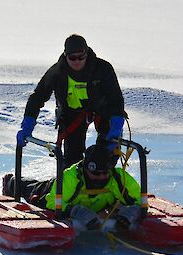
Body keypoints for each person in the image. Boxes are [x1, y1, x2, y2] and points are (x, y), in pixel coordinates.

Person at [17, 34, 126, 168]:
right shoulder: (57, 72)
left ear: (87, 53)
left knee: (105, 157)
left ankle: (104, 182)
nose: (77, 61)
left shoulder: (103, 69)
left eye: (81, 57)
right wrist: (27, 124)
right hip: (72, 115)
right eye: (72, 58)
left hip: (104, 114)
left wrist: (116, 126)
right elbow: (38, 97)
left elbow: (116, 99)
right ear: (65, 55)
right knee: (72, 163)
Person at [3, 144, 141, 230]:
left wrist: (133, 210)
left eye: (105, 173)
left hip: (94, 208)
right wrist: (74, 211)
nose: (101, 177)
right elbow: (52, 202)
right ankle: (11, 182)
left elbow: (140, 199)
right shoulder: (71, 177)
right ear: (86, 169)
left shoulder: (118, 178)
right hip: (49, 192)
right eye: (95, 174)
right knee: (32, 189)